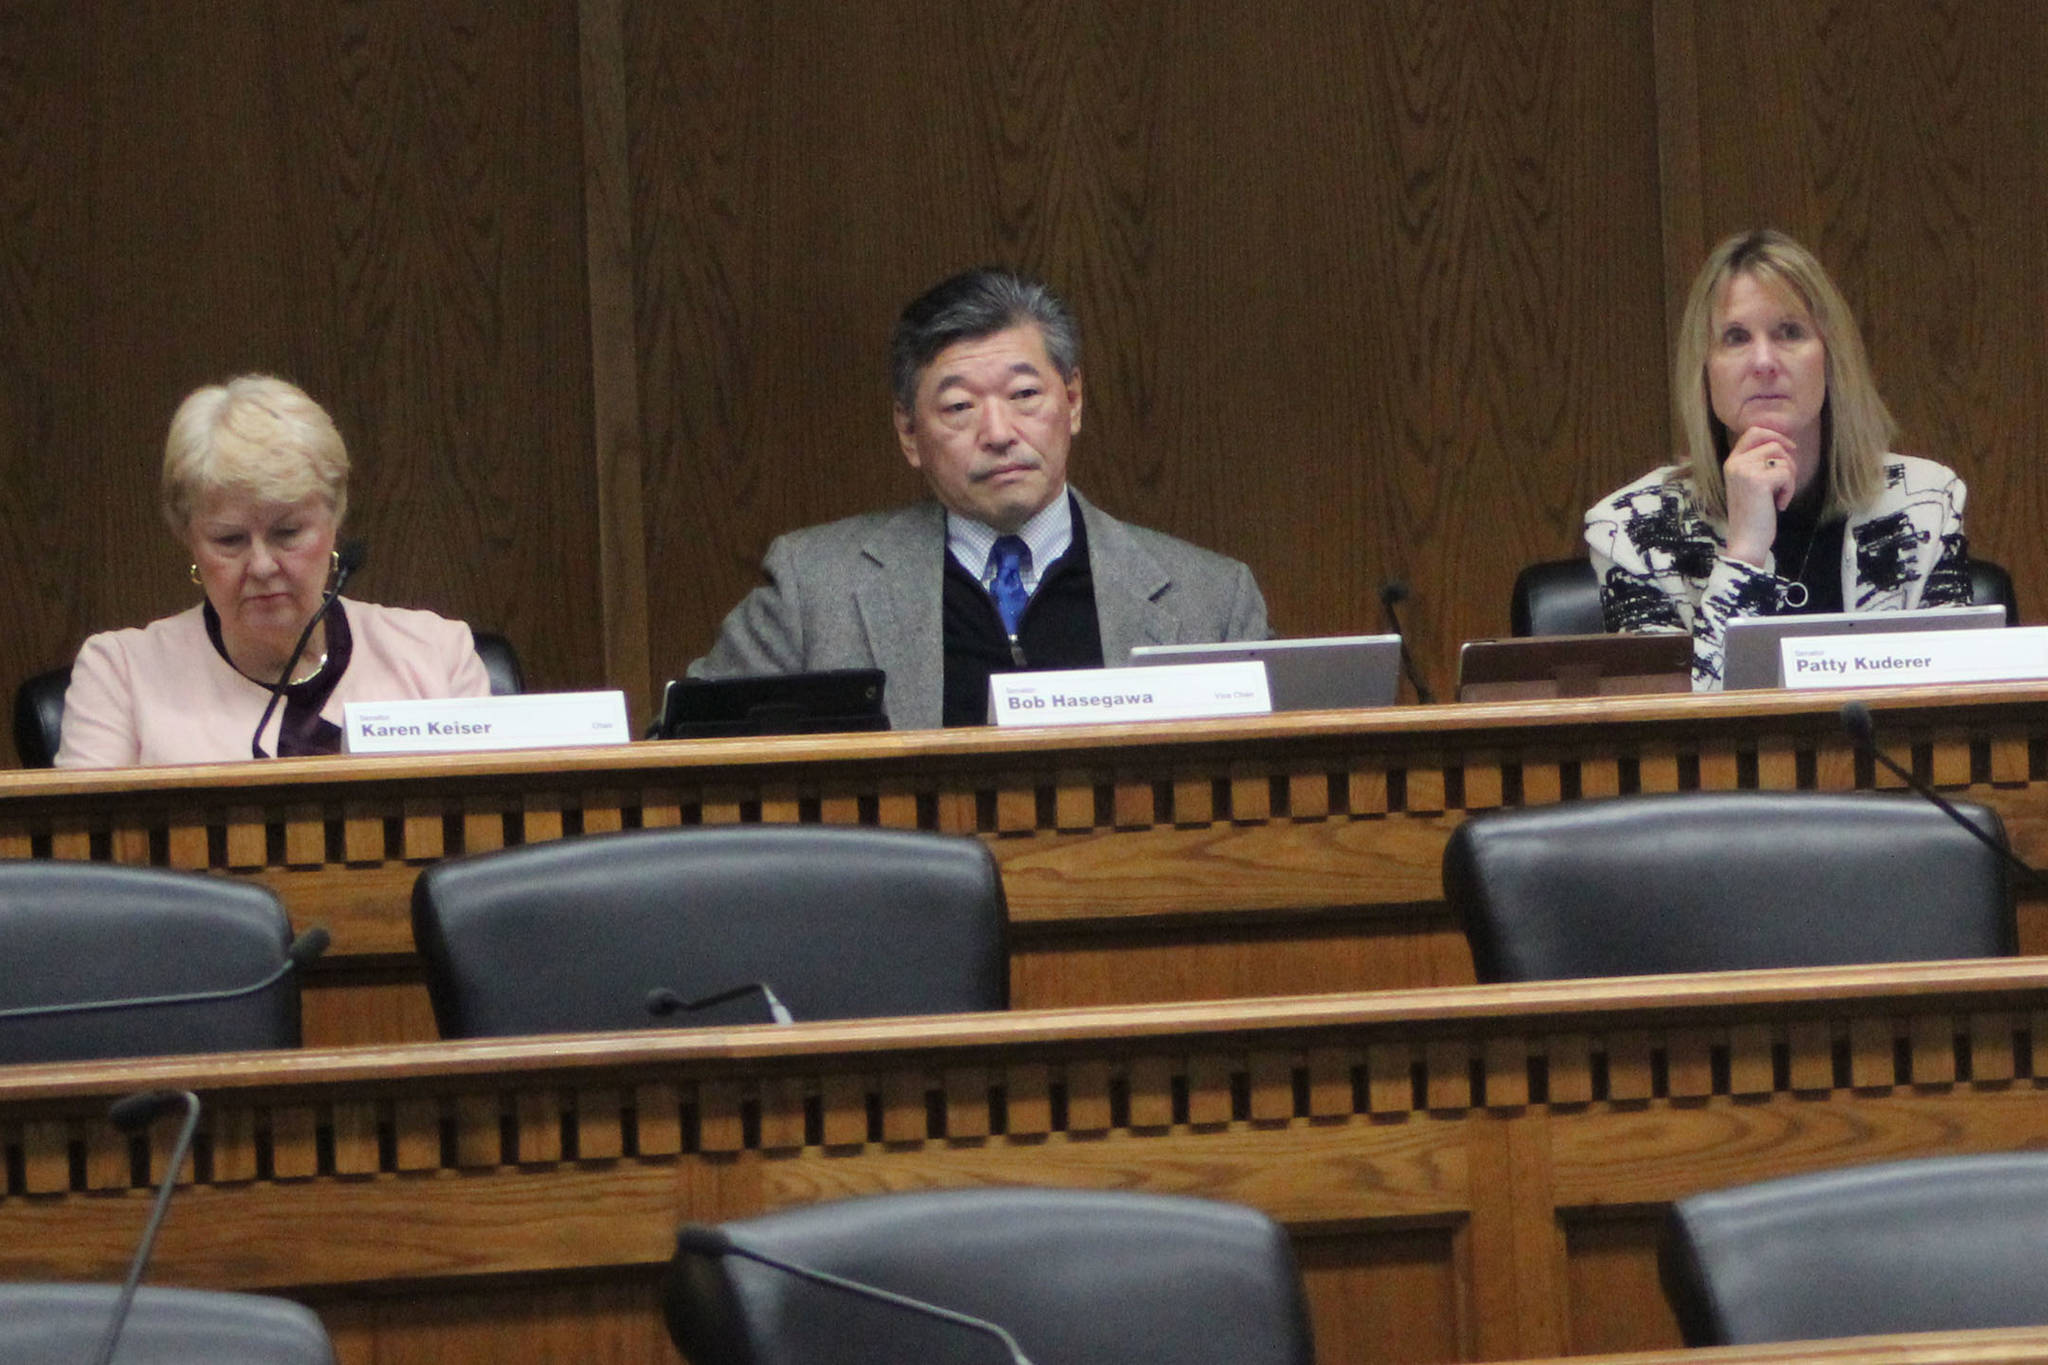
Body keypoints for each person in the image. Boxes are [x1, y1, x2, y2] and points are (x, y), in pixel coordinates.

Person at [688, 267, 1270, 728]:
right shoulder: (812, 589)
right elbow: (687, 754)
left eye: (1023, 394)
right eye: (959, 407)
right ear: (909, 433)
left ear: (1073, 402)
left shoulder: (1212, 604)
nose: (997, 433)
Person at [1584, 229, 1970, 690]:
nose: (1764, 361)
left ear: (1830, 360)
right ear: (1705, 371)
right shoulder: (1630, 531)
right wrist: (1745, 554)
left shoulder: (1923, 503)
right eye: (1736, 337)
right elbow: (1674, 739)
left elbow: (1954, 709)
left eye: (1789, 332)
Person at [56, 375, 489, 767]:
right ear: (189, 540)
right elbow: (81, 850)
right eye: (230, 540)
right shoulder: (121, 675)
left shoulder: (437, 655)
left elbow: (492, 840)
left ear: (334, 521)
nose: (262, 566)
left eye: (287, 533)